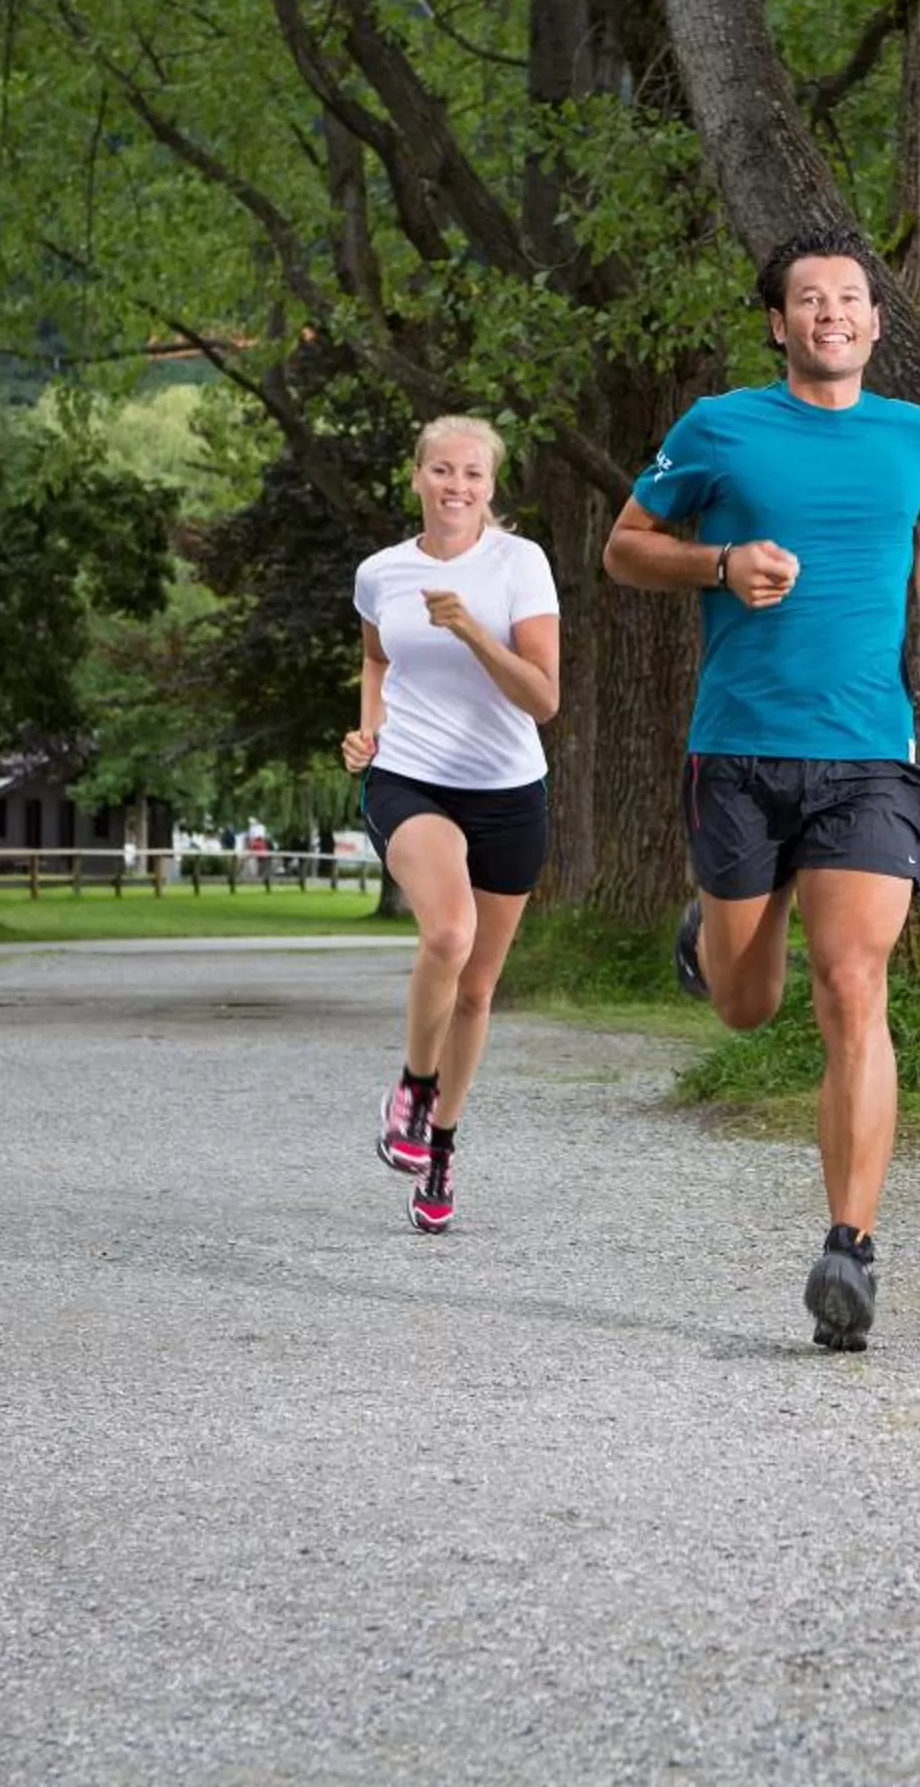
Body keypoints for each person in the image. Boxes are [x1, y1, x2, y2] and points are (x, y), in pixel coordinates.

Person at [603, 227, 920, 1350]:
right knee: (746, 1002)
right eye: (809, 299)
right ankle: (715, 932)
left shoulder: (916, 435)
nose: (831, 313)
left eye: (850, 298)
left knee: (854, 985)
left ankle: (848, 1250)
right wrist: (719, 564)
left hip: (868, 749)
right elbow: (623, 546)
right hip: (743, 749)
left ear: (874, 321)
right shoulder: (717, 427)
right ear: (779, 322)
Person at [343, 415, 562, 1233]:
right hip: (409, 779)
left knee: (476, 992)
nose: (456, 487)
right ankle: (412, 1083)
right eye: (442, 471)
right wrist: (370, 729)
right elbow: (376, 657)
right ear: (417, 477)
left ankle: (440, 1145)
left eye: (472, 474)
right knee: (448, 933)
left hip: (508, 789)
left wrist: (473, 629)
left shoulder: (520, 566)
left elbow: (544, 698)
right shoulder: (381, 573)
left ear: (490, 485)